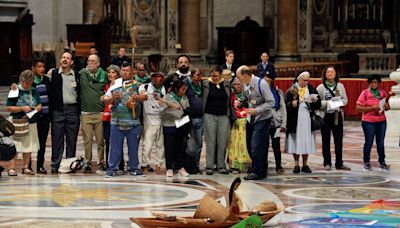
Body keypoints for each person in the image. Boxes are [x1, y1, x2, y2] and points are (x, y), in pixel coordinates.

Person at [104, 62, 147, 177]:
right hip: (117, 121)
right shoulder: (115, 85)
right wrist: (112, 98)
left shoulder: (138, 85)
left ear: (132, 72)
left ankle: (134, 167)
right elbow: (104, 99)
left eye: (127, 70)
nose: (125, 72)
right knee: (115, 148)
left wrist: (137, 97)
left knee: (133, 148)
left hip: (133, 122)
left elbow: (145, 96)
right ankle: (112, 168)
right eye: (123, 70)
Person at [236, 66, 275, 180]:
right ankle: (262, 169)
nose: (238, 80)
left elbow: (271, 102)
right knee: (249, 144)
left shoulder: (261, 84)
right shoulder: (245, 84)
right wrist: (242, 103)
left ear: (245, 76)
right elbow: (246, 98)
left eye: (239, 77)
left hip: (262, 118)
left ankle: (257, 171)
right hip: (250, 118)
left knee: (256, 146)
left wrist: (256, 110)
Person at [49, 52, 80, 174]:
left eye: (68, 58)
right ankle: (55, 164)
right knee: (57, 138)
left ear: (71, 62)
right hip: (58, 110)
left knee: (72, 139)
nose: (65, 59)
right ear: (60, 60)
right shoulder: (53, 74)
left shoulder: (76, 75)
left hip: (73, 110)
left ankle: (69, 164)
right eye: (63, 57)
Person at [6, 70, 42, 176]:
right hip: (16, 121)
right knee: (15, 145)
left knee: (28, 145)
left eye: (30, 83)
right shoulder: (15, 90)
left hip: (30, 121)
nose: (28, 85)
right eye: (26, 83)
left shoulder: (34, 91)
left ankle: (25, 167)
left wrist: (38, 108)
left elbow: (39, 104)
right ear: (22, 80)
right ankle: (11, 168)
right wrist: (21, 108)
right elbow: (9, 107)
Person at [285, 71, 321, 174]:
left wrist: (315, 102)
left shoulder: (311, 89)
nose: (306, 82)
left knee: (306, 142)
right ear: (298, 79)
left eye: (308, 80)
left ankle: (305, 164)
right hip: (294, 120)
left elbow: (318, 104)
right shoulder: (291, 90)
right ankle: (296, 164)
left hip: (307, 119)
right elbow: (285, 105)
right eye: (304, 80)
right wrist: (292, 104)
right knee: (295, 142)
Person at [317, 66, 351, 171]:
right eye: (328, 72)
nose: (330, 73)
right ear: (325, 74)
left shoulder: (340, 86)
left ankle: (339, 163)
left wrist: (338, 103)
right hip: (325, 116)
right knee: (326, 140)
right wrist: (328, 103)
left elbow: (345, 100)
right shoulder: (321, 87)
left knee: (338, 140)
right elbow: (317, 103)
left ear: (336, 74)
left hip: (337, 115)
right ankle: (327, 163)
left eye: (332, 72)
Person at [79, 54, 108, 172]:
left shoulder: (105, 75)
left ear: (98, 63)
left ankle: (101, 161)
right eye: (88, 61)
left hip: (99, 113)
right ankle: (87, 162)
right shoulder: (82, 74)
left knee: (101, 140)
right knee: (87, 140)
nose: (90, 63)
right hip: (86, 113)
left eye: (93, 61)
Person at [356, 74, 391, 171]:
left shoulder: (383, 93)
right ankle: (366, 162)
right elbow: (358, 108)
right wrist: (372, 108)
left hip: (381, 121)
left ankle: (382, 162)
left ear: (379, 83)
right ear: (369, 83)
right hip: (368, 121)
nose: (373, 84)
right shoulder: (365, 93)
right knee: (369, 142)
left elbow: (386, 107)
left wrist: (387, 107)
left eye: (376, 82)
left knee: (380, 143)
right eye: (372, 82)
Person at [203, 66, 232, 175]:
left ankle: (221, 166)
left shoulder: (227, 84)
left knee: (222, 141)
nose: (214, 77)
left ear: (221, 74)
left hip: (224, 116)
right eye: (212, 75)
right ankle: (209, 166)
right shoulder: (205, 84)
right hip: (209, 115)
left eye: (216, 75)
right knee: (210, 142)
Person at [160, 81, 190, 177]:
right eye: (182, 89)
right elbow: (161, 111)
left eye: (185, 89)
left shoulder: (184, 97)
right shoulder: (167, 97)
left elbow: (187, 107)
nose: (184, 91)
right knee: (169, 147)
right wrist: (169, 108)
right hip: (169, 125)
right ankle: (169, 168)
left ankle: (180, 167)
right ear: (176, 89)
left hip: (181, 125)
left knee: (181, 147)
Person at [139, 71, 167, 175]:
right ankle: (145, 165)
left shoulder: (164, 89)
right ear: (152, 78)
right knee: (147, 145)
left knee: (160, 146)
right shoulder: (145, 87)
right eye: (155, 77)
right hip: (149, 120)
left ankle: (158, 165)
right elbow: (141, 94)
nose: (157, 79)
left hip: (161, 119)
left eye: (160, 77)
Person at [227, 78, 251, 174]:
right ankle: (235, 166)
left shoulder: (247, 95)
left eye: (239, 85)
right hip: (235, 123)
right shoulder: (231, 96)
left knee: (245, 144)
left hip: (246, 123)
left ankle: (247, 164)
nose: (236, 86)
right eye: (235, 85)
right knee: (235, 144)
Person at [100, 64, 121, 171]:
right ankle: (109, 164)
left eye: (113, 72)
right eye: (109, 72)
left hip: (118, 116)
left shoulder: (120, 85)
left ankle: (120, 164)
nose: (110, 74)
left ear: (117, 75)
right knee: (108, 141)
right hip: (107, 117)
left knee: (117, 141)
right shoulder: (107, 86)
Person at [183, 68, 204, 174]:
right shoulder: (186, 85)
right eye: (196, 75)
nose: (198, 77)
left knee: (199, 143)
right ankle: (188, 165)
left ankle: (196, 165)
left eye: (200, 75)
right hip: (190, 118)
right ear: (191, 76)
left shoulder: (203, 85)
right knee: (190, 144)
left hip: (200, 118)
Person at [264, 73, 286, 175]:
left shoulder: (277, 92)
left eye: (268, 81)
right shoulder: (260, 92)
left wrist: (283, 124)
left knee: (276, 146)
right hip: (264, 122)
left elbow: (283, 108)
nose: (266, 83)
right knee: (263, 146)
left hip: (275, 123)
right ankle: (263, 166)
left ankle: (279, 166)